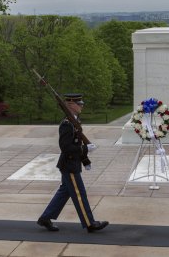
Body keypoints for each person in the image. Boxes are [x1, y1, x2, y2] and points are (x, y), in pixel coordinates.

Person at [37, 93, 109, 233]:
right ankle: (90, 223)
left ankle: (45, 218)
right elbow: (66, 148)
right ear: (70, 105)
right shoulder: (66, 124)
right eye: (79, 103)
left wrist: (85, 159)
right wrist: (85, 149)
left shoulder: (74, 121)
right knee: (79, 194)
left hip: (71, 163)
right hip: (69, 165)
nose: (82, 105)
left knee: (64, 192)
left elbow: (77, 142)